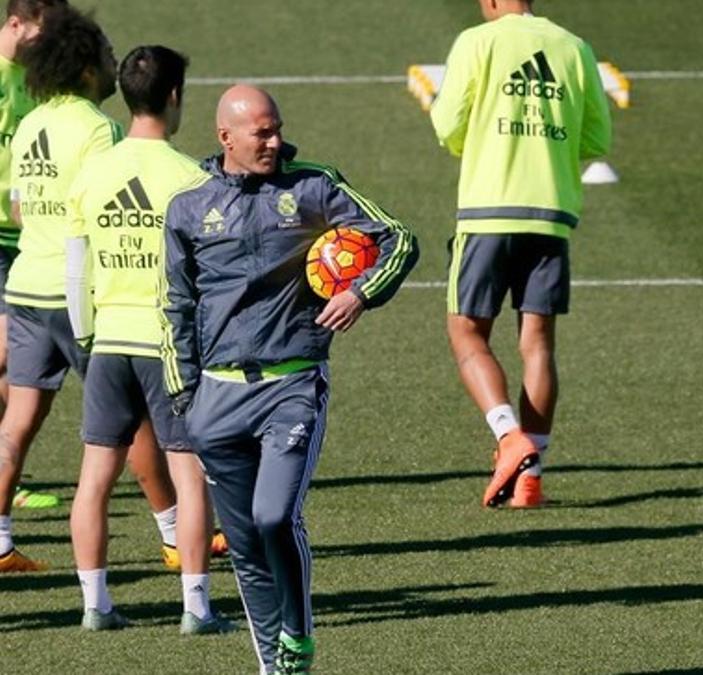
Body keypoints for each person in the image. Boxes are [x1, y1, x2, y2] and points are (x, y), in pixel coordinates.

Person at [161, 84, 417, 672]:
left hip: (292, 386)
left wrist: (362, 291)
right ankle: (275, 666)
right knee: (247, 545)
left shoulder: (314, 186)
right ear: (226, 137)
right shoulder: (189, 208)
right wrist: (186, 399)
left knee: (276, 516)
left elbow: (398, 238)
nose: (275, 141)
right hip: (216, 400)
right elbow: (174, 305)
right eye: (262, 133)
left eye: (277, 129)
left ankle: (298, 634)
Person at [0, 5, 179, 574]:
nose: (111, 65)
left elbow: (19, 210)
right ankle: (178, 536)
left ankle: (0, 544)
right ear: (83, 69)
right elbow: (108, 205)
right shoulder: (98, 129)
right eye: (104, 56)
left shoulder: (32, 123)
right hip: (75, 294)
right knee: (135, 417)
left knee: (18, 420)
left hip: (25, 284)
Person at [64, 45, 235, 634]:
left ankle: (95, 605)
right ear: (174, 97)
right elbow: (210, 278)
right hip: (170, 350)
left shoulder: (93, 172)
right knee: (190, 478)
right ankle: (196, 608)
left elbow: (76, 269)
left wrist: (88, 337)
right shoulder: (191, 177)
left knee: (94, 479)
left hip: (108, 343)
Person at [431, 0, 612, 508]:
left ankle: (510, 438)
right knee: (538, 344)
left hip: (489, 209)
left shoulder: (477, 41)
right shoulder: (575, 48)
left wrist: (488, 145)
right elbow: (597, 137)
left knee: (467, 334)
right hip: (552, 214)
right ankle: (531, 478)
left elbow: (447, 125)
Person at [0, 0, 65, 513]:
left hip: (22, 233)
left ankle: (6, 473)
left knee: (12, 369)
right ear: (15, 23)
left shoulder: (37, 78)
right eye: (43, 31)